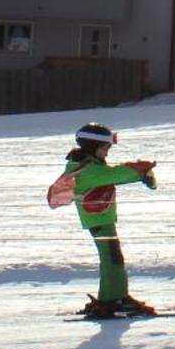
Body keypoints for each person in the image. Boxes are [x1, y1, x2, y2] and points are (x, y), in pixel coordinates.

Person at [50, 122, 157, 317]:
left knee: (109, 258)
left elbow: (111, 177)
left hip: (99, 218)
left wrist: (139, 176)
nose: (107, 153)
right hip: (98, 219)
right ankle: (118, 298)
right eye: (105, 148)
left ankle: (108, 298)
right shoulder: (88, 170)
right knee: (114, 259)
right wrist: (138, 170)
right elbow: (112, 175)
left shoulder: (88, 166)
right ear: (93, 147)